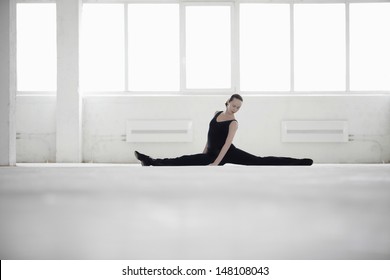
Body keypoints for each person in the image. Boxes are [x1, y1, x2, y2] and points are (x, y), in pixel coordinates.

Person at [134, 94, 313, 166]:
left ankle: (300, 162)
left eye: (238, 108)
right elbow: (210, 135)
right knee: (185, 159)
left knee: (260, 161)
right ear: (228, 102)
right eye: (234, 105)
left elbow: (227, 145)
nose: (235, 109)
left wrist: (215, 163)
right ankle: (149, 160)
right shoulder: (217, 113)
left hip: (225, 154)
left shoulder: (233, 123)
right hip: (211, 152)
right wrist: (205, 152)